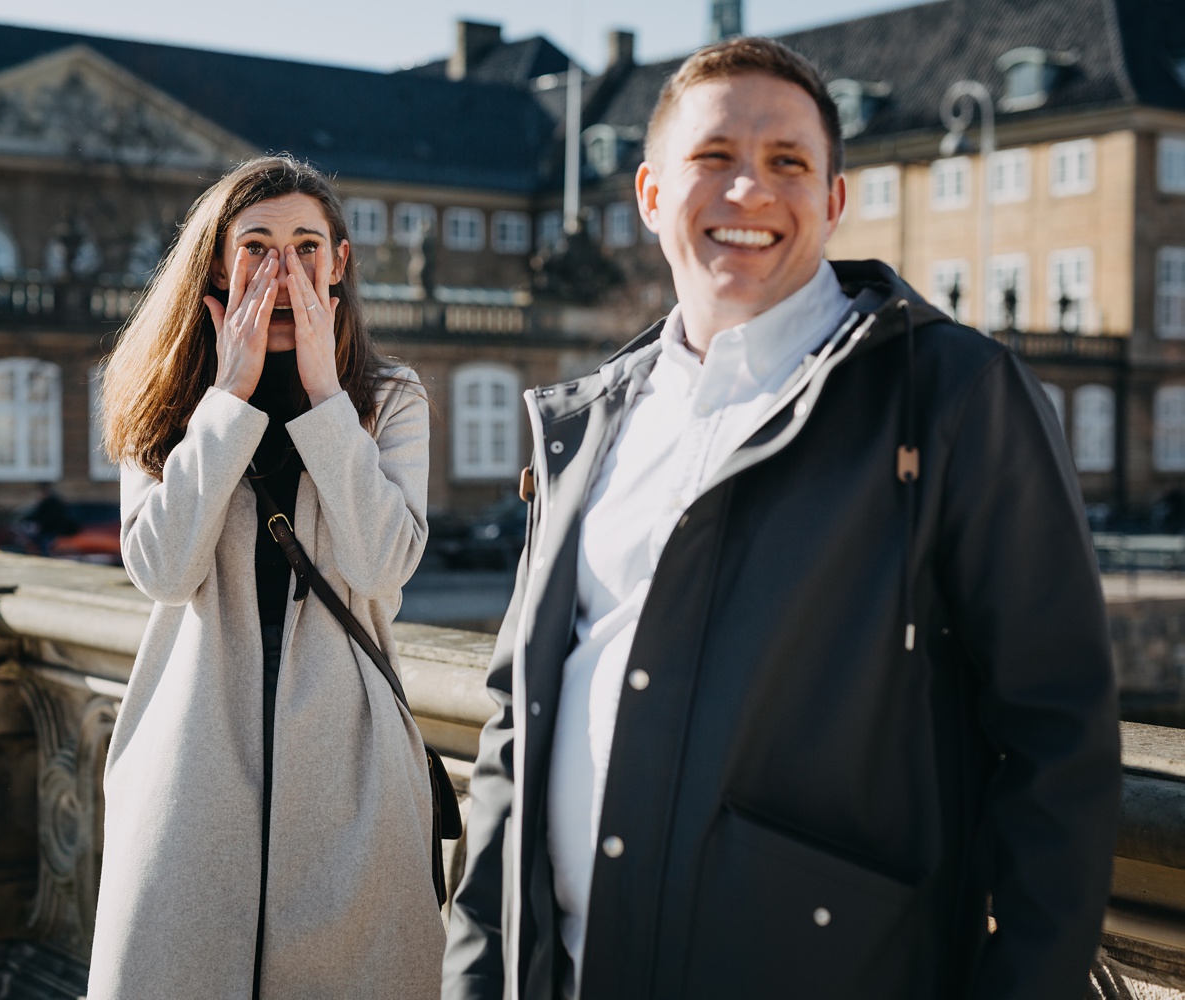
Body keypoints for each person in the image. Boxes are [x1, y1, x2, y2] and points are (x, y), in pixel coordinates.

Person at [444, 36, 1120, 1000]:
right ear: (648, 194)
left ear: (836, 201)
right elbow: (516, 735)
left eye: (788, 164)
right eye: (714, 159)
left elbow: (1060, 746)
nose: (751, 193)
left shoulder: (959, 397)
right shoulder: (587, 423)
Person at [89, 155, 443, 1000]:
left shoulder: (389, 399)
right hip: (192, 768)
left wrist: (326, 397)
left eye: (306, 246)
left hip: (350, 771)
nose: (283, 270)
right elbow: (163, 570)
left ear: (340, 263)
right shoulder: (163, 402)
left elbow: (383, 566)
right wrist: (229, 399)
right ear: (217, 261)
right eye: (257, 245)